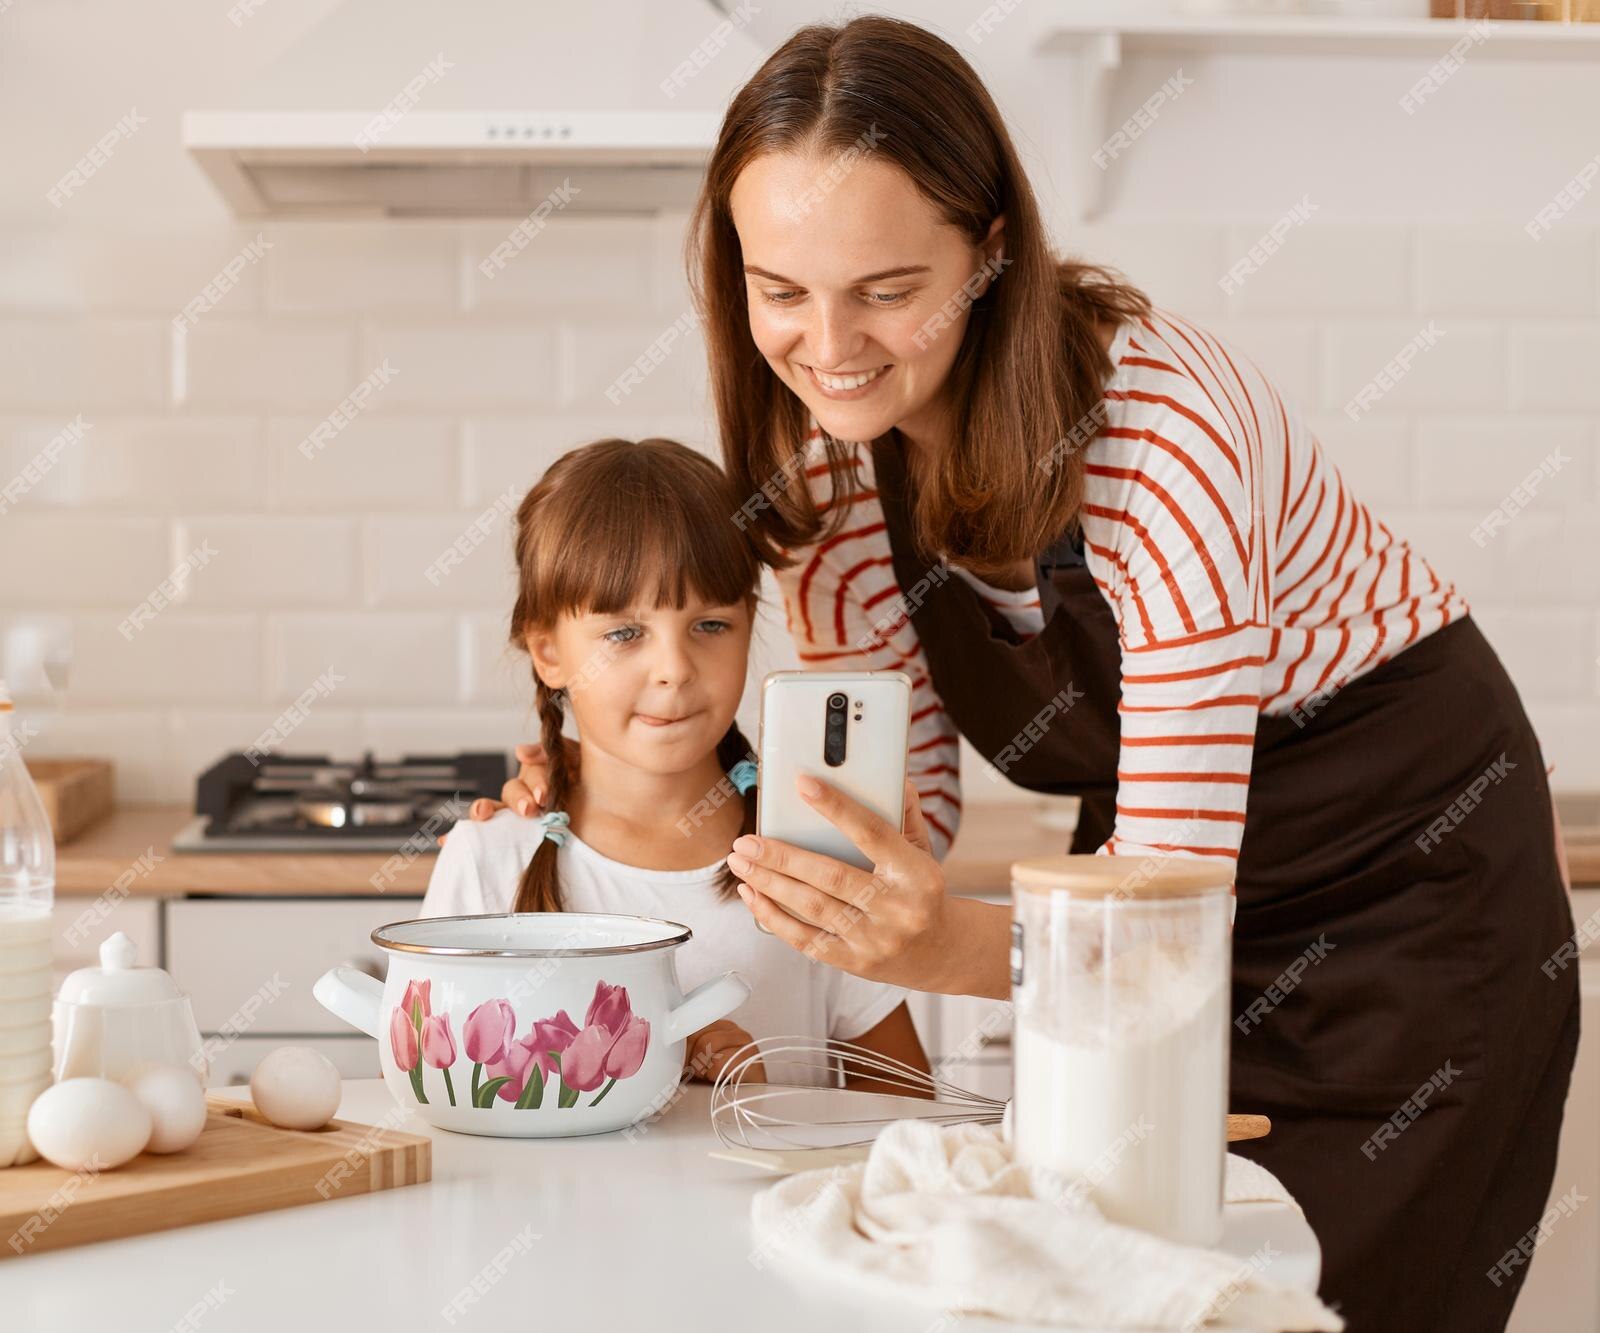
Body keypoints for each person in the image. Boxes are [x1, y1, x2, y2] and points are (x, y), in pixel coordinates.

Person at [473, 18, 1578, 1330]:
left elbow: (1161, 913)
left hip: (1407, 910)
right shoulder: (829, 461)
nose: (829, 345)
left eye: (885, 290)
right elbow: (887, 801)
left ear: (991, 249)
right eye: (781, 289)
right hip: (1132, 905)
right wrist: (630, 808)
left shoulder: (1165, 444)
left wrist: (946, 943)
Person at [423, 437, 931, 1093]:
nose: (675, 669)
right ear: (548, 651)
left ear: (750, 623)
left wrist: (759, 1092)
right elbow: (438, 1100)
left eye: (711, 625)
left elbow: (905, 1103)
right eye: (625, 633)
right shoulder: (487, 860)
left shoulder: (815, 856)